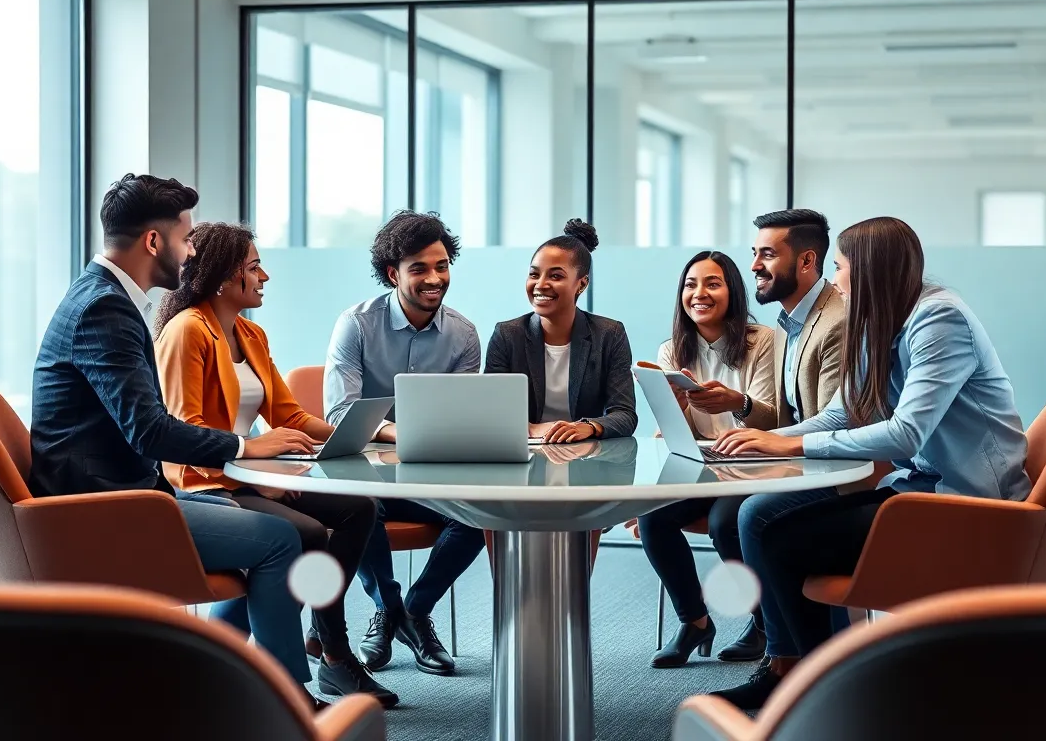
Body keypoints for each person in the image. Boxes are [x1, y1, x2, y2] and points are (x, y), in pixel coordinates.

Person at [707, 216, 1032, 710]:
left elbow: (906, 432)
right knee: (757, 515)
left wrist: (789, 447)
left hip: (966, 504)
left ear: (869, 271)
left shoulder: (939, 320)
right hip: (918, 489)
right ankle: (797, 671)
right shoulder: (877, 318)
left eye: (839, 267)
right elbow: (845, 411)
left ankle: (824, 689)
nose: (835, 280)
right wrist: (762, 439)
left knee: (772, 530)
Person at [28, 174, 326, 708]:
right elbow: (149, 429)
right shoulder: (105, 308)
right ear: (152, 241)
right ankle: (285, 700)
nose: (190, 254)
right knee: (280, 541)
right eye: (186, 239)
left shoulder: (100, 296)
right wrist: (244, 447)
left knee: (278, 533)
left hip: (125, 489)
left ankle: (218, 680)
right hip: (106, 505)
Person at [152, 221, 396, 708]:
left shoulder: (250, 334)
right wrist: (258, 475)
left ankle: (324, 642)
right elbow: (183, 431)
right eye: (255, 267)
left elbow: (289, 416)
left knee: (359, 509)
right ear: (224, 275)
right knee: (301, 534)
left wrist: (377, 431)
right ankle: (295, 679)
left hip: (251, 475)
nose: (265, 277)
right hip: (205, 483)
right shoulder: (186, 332)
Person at [324, 210, 486, 677]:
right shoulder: (355, 325)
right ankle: (388, 608)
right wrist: (405, 431)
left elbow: (457, 417)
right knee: (364, 509)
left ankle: (411, 611)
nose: (434, 278)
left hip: (428, 478)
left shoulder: (463, 333)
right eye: (419, 269)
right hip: (370, 477)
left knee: (478, 514)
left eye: (441, 266)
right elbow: (339, 413)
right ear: (393, 273)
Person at [634, 250, 778, 668]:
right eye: (691, 284)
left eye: (712, 284)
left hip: (753, 467)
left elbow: (774, 417)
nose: (699, 293)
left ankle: (765, 621)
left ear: (732, 291)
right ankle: (695, 621)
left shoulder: (762, 340)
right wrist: (674, 414)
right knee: (653, 517)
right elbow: (674, 434)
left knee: (724, 523)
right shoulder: (671, 350)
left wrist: (739, 402)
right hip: (704, 468)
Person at [483, 219, 638, 443]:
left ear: (582, 284)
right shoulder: (508, 335)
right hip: (525, 452)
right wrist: (532, 428)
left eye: (556, 276)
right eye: (534, 274)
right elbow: (491, 411)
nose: (540, 284)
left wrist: (588, 427)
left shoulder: (609, 334)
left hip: (586, 458)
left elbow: (625, 414)